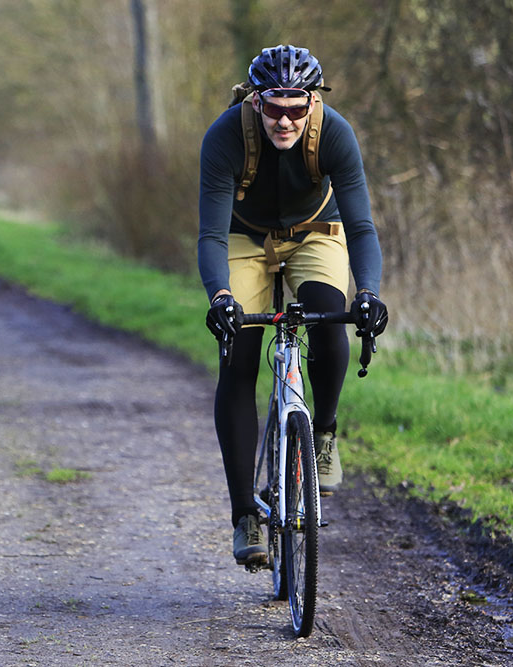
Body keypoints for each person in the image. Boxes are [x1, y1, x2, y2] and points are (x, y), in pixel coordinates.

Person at [197, 45, 388, 566]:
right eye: (274, 107)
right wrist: (221, 297)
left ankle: (322, 433)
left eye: (297, 108)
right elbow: (211, 235)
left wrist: (368, 292)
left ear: (313, 102)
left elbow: (362, 227)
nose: (285, 120)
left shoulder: (336, 134)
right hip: (243, 238)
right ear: (256, 101)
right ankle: (245, 514)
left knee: (330, 319)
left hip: (316, 232)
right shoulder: (225, 137)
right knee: (237, 357)